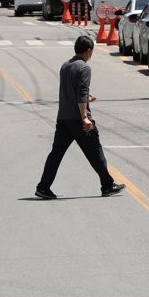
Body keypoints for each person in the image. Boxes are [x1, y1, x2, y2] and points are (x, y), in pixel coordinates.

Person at [35, 35, 126, 200]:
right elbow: (81, 92)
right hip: (78, 120)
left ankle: (43, 186)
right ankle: (107, 185)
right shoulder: (84, 68)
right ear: (88, 50)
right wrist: (85, 117)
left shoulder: (66, 65)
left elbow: (73, 91)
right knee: (95, 151)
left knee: (56, 154)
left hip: (63, 118)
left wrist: (85, 97)